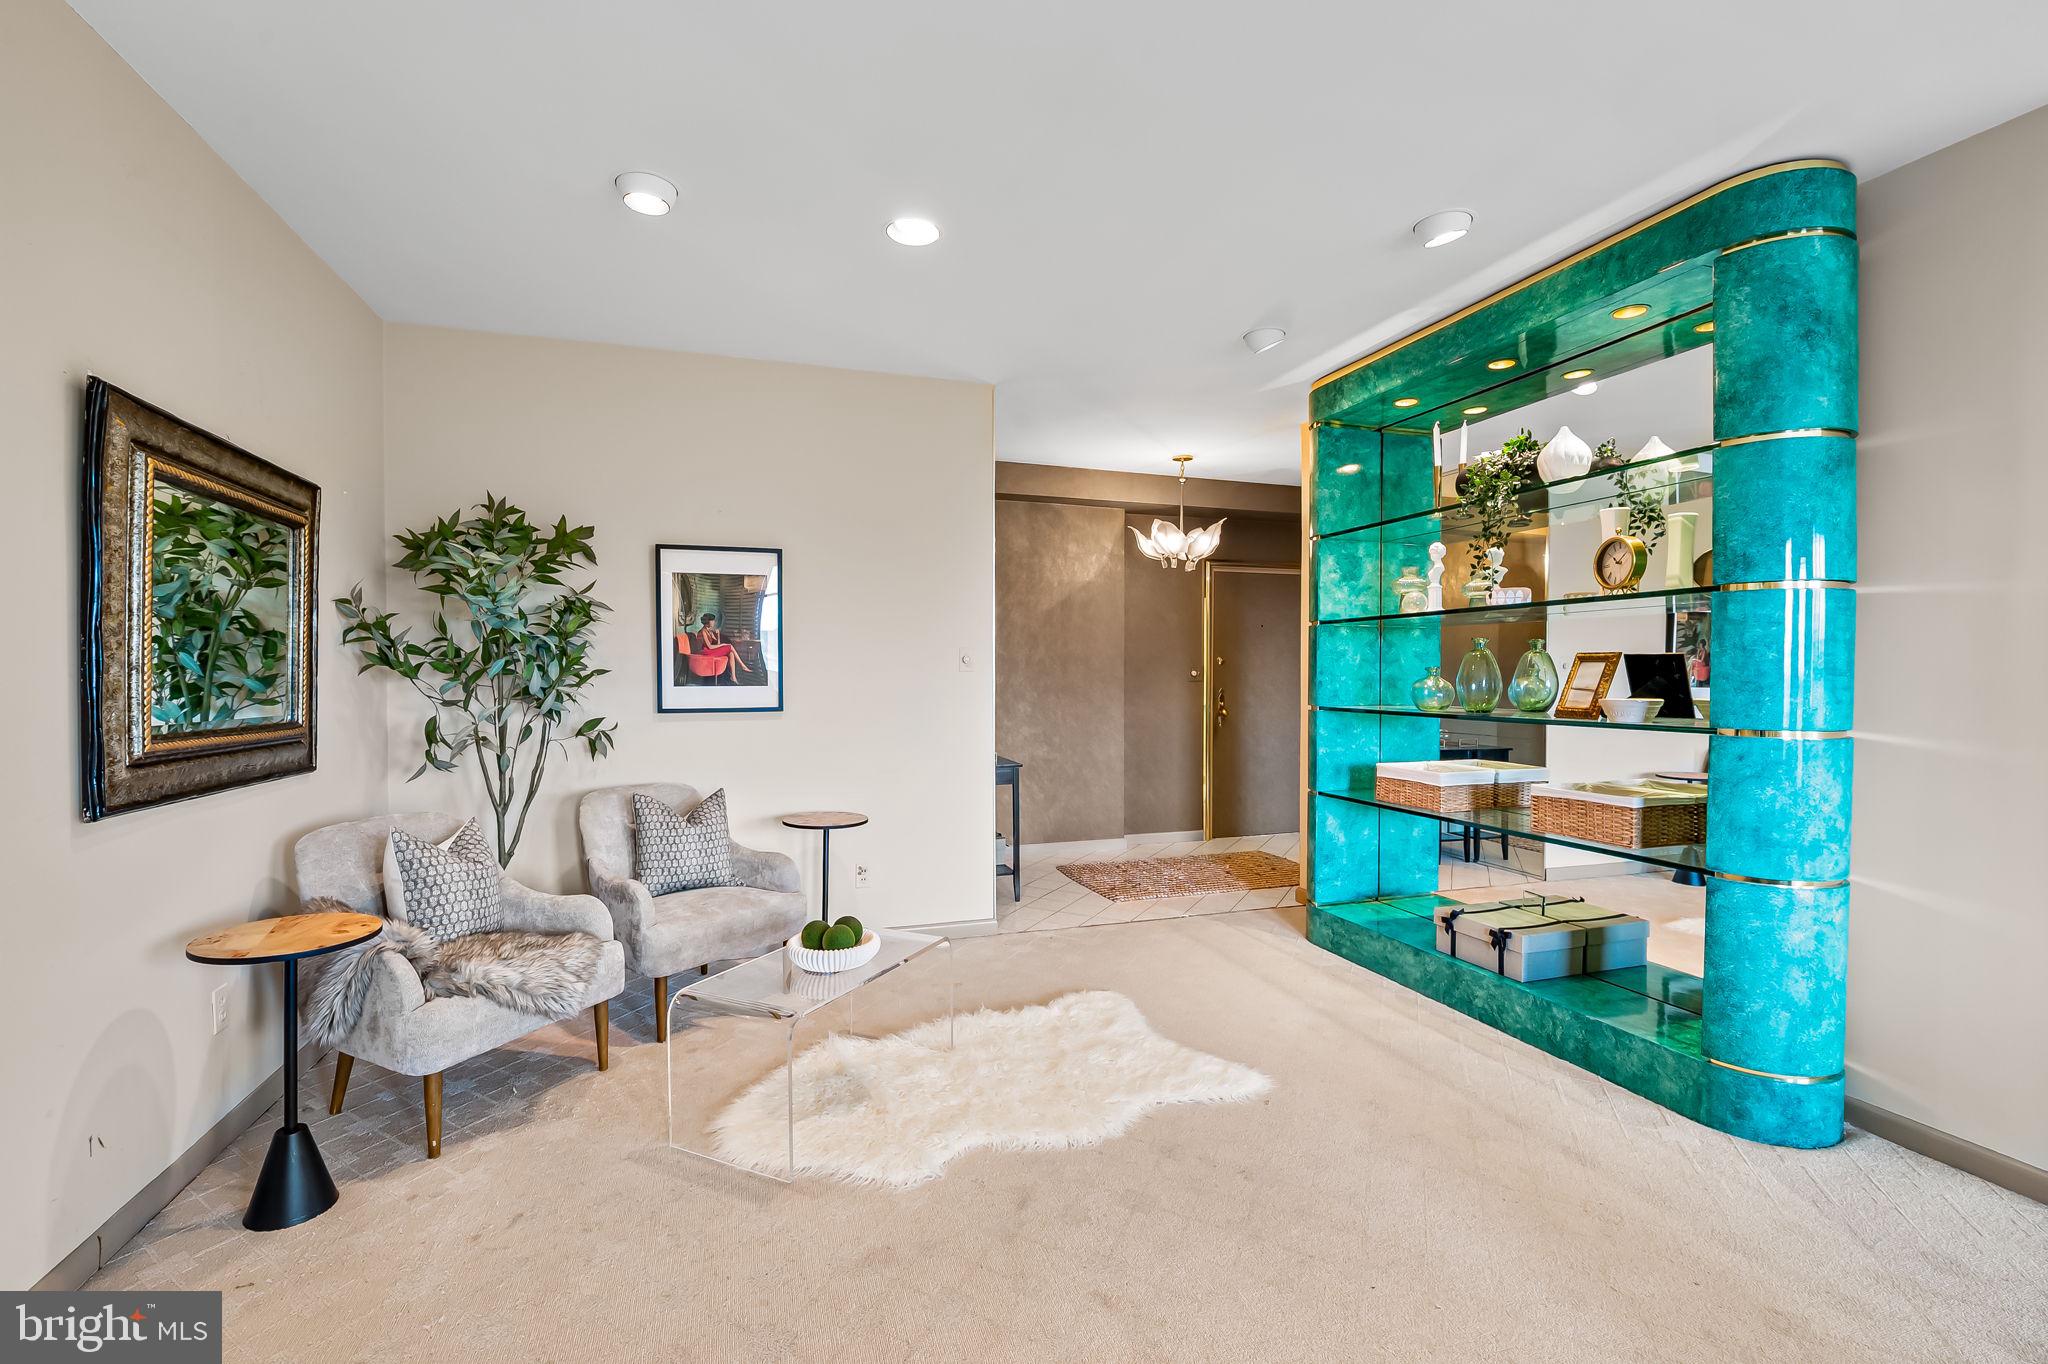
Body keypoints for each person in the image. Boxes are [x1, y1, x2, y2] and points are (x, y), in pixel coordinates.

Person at [694, 612, 751, 680]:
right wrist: (723, 645)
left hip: (709, 651)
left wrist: (717, 635)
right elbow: (709, 647)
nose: (714, 622)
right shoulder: (703, 631)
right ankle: (743, 666)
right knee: (730, 646)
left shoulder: (709, 631)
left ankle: (733, 677)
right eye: (712, 620)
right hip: (704, 653)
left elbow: (717, 644)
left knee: (731, 653)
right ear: (708, 621)